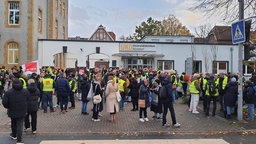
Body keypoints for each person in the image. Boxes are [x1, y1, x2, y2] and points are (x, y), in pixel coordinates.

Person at [2, 79, 29, 144]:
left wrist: (8, 107)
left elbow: (4, 102)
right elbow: (28, 99)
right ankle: (19, 140)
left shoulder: (8, 92)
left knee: (13, 123)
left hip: (12, 110)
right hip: (22, 110)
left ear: (13, 84)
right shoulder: (25, 91)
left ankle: (14, 135)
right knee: (20, 124)